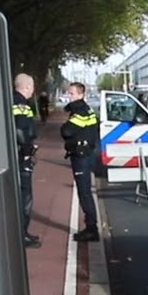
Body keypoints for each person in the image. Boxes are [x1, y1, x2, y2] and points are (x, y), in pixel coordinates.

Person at [60, 82, 101, 242]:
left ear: (81, 95)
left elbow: (66, 131)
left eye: (72, 93)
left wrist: (66, 124)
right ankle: (91, 226)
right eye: (69, 93)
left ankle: (92, 228)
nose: (69, 96)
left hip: (81, 156)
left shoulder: (81, 112)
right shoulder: (86, 110)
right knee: (85, 192)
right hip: (86, 153)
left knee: (84, 193)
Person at [12, 73, 41, 248]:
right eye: (32, 87)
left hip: (14, 154)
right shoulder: (22, 105)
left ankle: (22, 233)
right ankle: (22, 235)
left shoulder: (10, 100)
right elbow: (21, 130)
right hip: (21, 156)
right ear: (27, 87)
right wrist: (28, 150)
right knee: (25, 196)